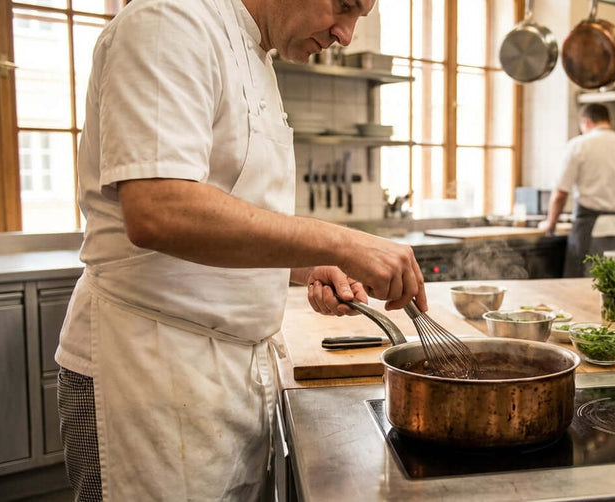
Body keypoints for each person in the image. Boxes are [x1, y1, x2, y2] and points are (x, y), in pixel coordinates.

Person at [53, 0, 425, 500]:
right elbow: (160, 209)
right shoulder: (169, 23)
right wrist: (342, 240)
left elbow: (229, 217)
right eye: (344, 6)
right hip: (147, 372)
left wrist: (308, 263)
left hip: (228, 379)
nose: (347, 34)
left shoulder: (256, 53)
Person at [538, 103, 615, 277]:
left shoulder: (579, 145)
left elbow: (560, 194)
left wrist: (550, 224)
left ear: (585, 122)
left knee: (584, 289)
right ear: (608, 121)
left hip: (591, 232)